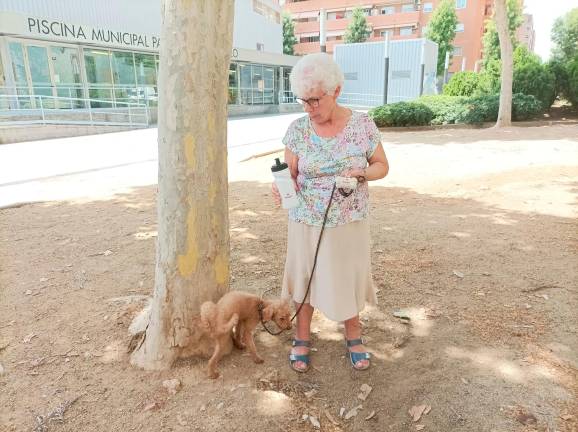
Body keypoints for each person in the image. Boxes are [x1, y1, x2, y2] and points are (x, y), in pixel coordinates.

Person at [272, 53, 389, 372]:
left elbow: (382, 166)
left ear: (336, 91)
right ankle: (301, 336)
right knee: (305, 277)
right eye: (303, 100)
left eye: (314, 100)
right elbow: (290, 174)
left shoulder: (362, 124)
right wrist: (282, 186)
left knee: (345, 276)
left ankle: (354, 335)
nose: (308, 107)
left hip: (348, 220)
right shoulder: (297, 129)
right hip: (305, 218)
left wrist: (361, 173)